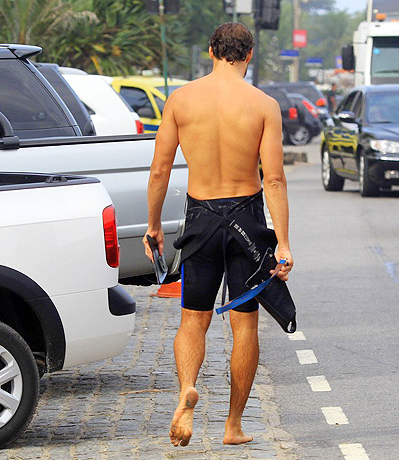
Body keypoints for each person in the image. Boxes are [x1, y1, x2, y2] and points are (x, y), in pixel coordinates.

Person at [143, 22, 293, 448]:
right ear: (249, 55)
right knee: (245, 326)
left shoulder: (181, 99)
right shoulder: (263, 105)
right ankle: (233, 426)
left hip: (201, 219)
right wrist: (282, 242)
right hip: (247, 219)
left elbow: (160, 170)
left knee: (193, 318)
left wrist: (154, 225)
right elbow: (276, 180)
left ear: (211, 50)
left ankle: (187, 390)